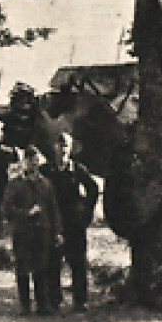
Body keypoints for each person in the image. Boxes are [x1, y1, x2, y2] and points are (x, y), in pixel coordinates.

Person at [43, 132, 100, 312]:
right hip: (53, 222)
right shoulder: (47, 170)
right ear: (55, 148)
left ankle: (80, 300)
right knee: (53, 262)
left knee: (78, 262)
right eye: (60, 146)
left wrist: (87, 211)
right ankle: (55, 300)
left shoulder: (77, 170)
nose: (63, 149)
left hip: (74, 222)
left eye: (66, 146)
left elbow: (93, 188)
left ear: (71, 148)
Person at [2, 147, 62, 315]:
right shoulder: (15, 184)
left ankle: (43, 304)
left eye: (36, 161)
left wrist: (57, 232)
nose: (33, 165)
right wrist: (25, 213)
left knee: (41, 268)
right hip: (22, 232)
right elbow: (7, 209)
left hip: (42, 232)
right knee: (22, 269)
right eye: (30, 161)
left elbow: (54, 209)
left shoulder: (46, 184)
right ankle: (25, 305)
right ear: (24, 162)